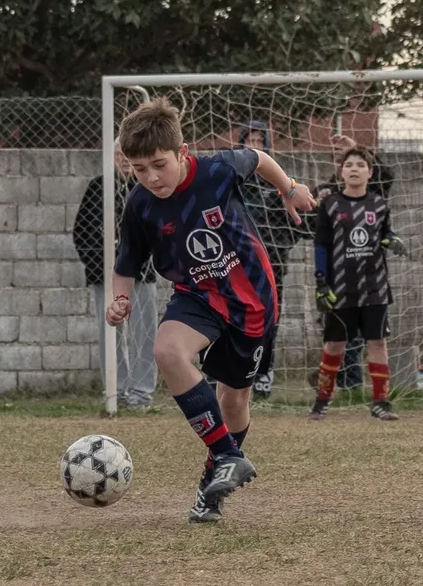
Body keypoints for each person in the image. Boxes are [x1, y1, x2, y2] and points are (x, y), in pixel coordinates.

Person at [108, 98, 315, 524]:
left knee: (233, 401)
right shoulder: (140, 204)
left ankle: (211, 488)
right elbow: (125, 264)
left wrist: (289, 188)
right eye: (139, 169)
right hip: (196, 295)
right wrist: (121, 299)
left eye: (159, 165)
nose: (151, 177)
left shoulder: (217, 169)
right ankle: (226, 456)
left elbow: (258, 157)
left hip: (252, 301)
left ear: (182, 152)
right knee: (167, 350)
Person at [309, 148, 404, 421]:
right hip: (340, 288)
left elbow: (387, 233)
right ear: (341, 171)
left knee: (378, 342)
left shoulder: (379, 204)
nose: (354, 168)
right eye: (349, 164)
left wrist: (392, 239)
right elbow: (321, 245)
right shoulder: (330, 204)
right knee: (334, 344)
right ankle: (322, 400)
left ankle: (380, 402)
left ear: (369, 173)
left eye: (360, 165)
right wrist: (320, 280)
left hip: (375, 287)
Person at [73, 144, 157, 408]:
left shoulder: (147, 188)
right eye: (119, 155)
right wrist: (100, 265)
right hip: (105, 276)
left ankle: (141, 393)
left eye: (129, 156)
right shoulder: (98, 187)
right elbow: (81, 232)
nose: (124, 160)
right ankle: (115, 390)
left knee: (145, 333)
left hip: (142, 274)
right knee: (110, 333)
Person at [236, 121, 313, 399]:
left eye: (260, 141)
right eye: (250, 140)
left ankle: (263, 374)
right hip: (235, 266)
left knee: (268, 322)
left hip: (271, 266)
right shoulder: (233, 182)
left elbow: (299, 226)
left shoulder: (279, 184)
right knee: (233, 321)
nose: (254, 145)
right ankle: (228, 374)